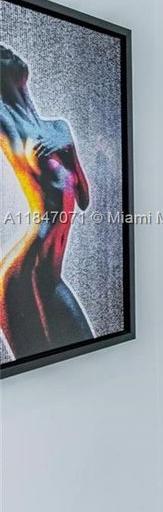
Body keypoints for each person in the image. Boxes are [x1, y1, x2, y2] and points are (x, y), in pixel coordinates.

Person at [0, 43, 94, 358]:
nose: (10, 51)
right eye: (2, 53)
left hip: (50, 273)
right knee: (33, 368)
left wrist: (68, 147)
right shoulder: (7, 123)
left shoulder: (59, 129)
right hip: (22, 273)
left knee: (84, 352)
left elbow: (83, 199)